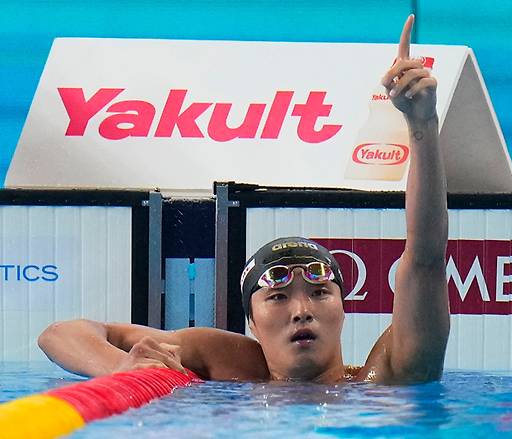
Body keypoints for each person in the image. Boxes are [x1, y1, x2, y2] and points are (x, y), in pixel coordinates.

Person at [38, 14, 450, 384]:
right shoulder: (229, 363)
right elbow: (60, 334)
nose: (302, 309)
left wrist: (422, 125)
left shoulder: (386, 377)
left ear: (343, 309)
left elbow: (426, 258)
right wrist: (118, 368)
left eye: (320, 292)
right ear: (251, 323)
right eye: (277, 296)